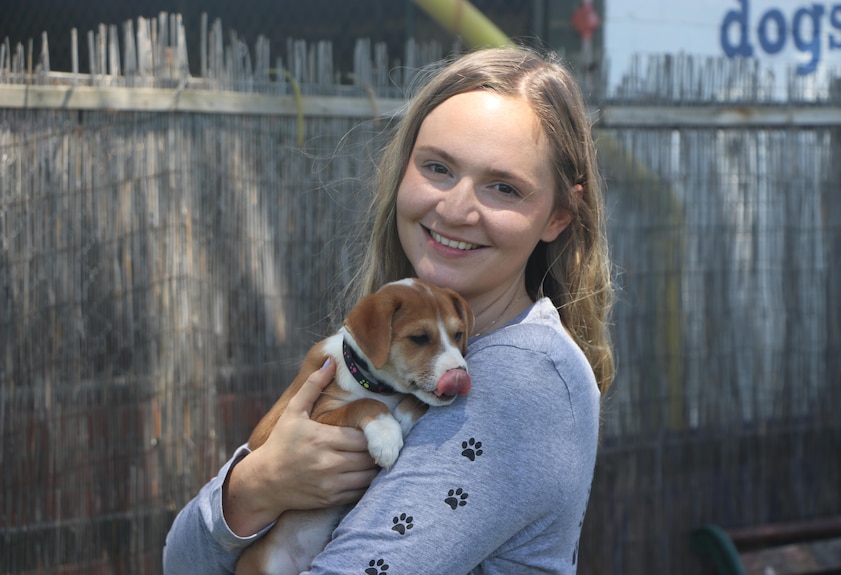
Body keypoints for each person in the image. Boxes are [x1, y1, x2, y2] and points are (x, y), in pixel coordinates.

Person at [163, 45, 614, 574]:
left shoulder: (518, 378)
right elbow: (179, 561)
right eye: (438, 168)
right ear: (403, 171)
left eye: (503, 187)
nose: (455, 209)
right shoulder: (381, 353)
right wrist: (256, 487)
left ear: (559, 214)